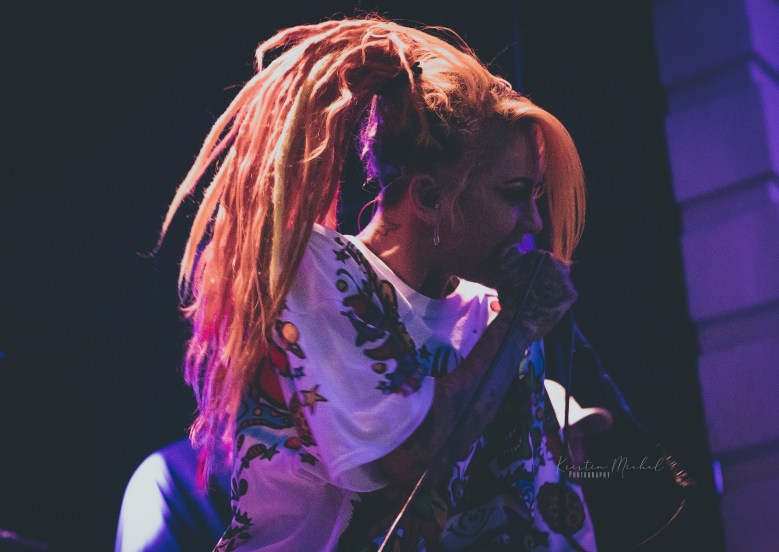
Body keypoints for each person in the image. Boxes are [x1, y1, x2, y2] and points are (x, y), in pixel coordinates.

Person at [159, 16, 595, 551]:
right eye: (514, 194)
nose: (533, 223)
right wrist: (520, 327)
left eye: (536, 197)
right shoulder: (315, 271)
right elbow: (411, 456)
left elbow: (537, 508)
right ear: (429, 198)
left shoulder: (497, 317)